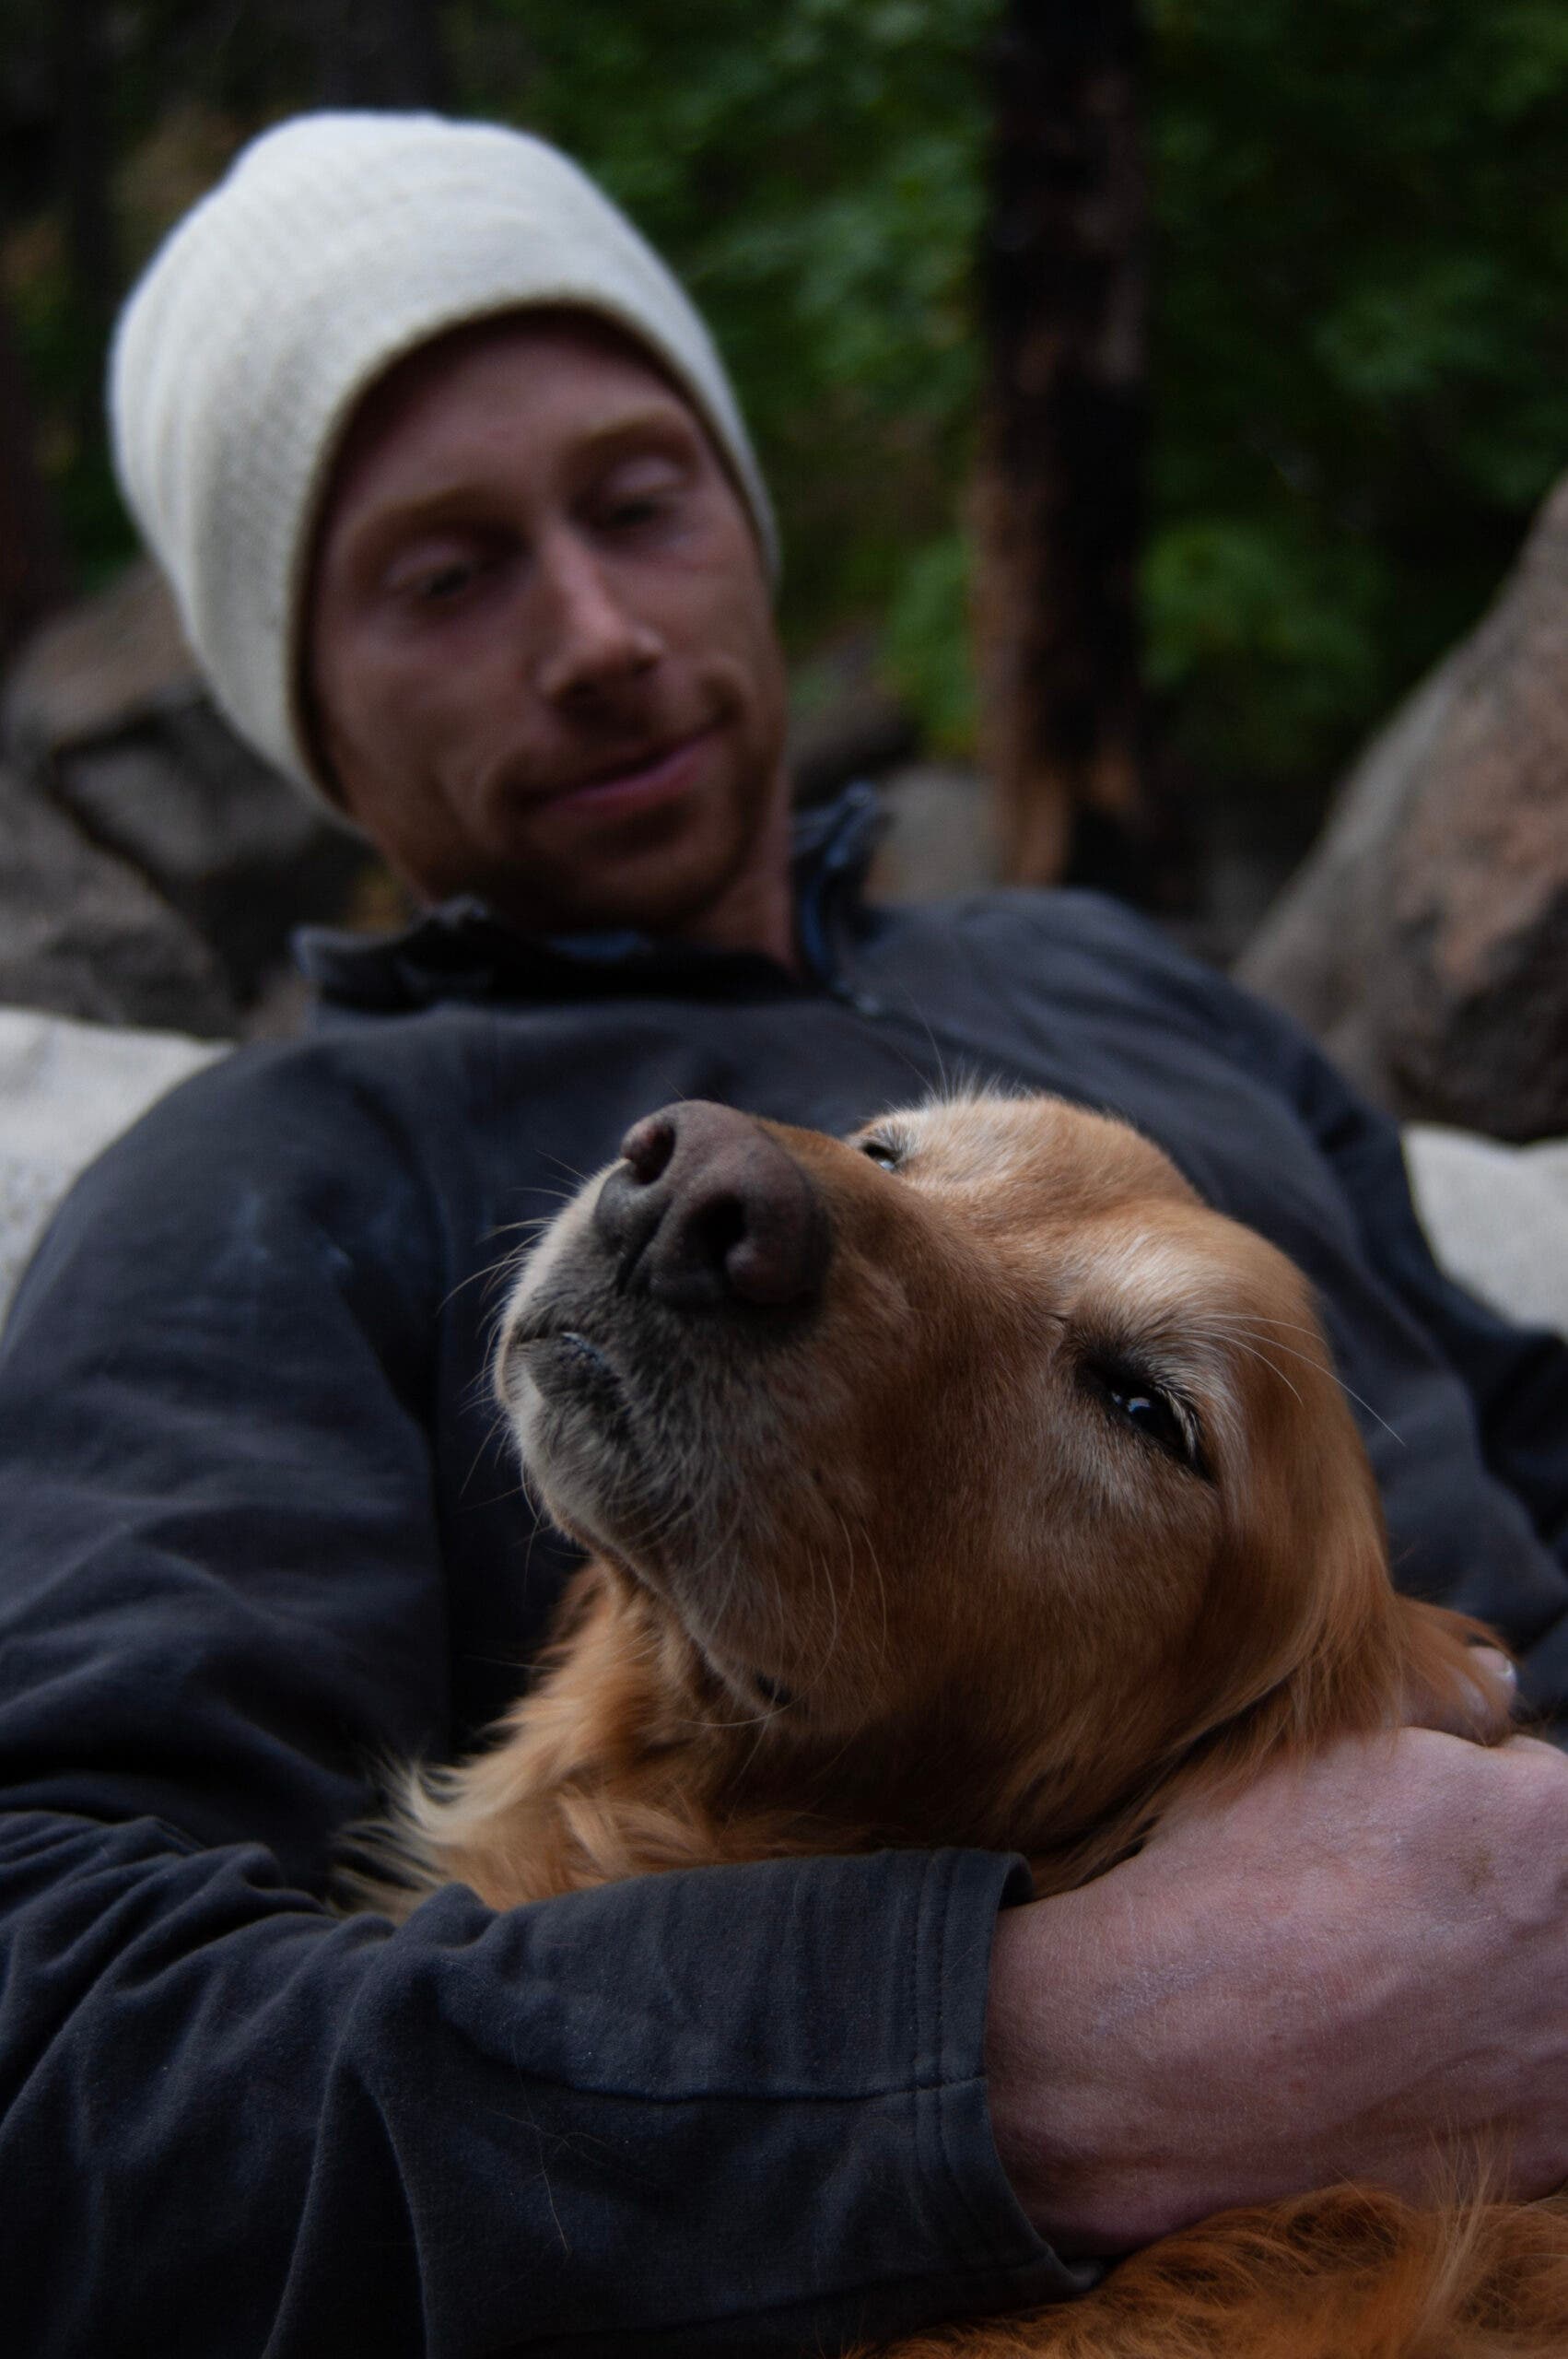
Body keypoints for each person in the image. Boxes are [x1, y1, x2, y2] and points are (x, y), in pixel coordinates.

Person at [2, 110, 1567, 2358]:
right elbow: (53, 2044)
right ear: (308, 713)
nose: (597, 633)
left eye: (638, 501)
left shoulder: (1110, 973)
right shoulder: (282, 1165)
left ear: (741, 515)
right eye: (445, 576)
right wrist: (1048, 2058)